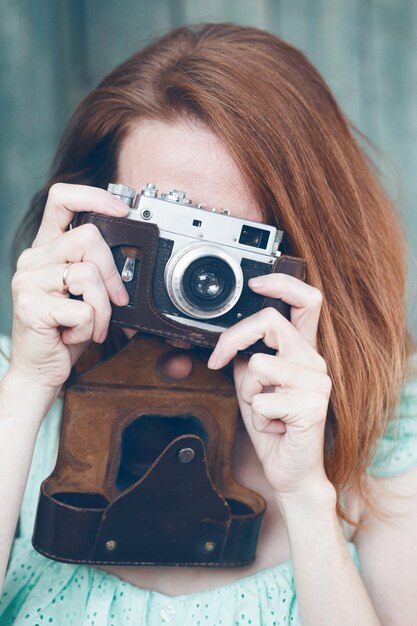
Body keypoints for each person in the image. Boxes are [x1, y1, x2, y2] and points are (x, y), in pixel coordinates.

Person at [0, 22, 416, 626]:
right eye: (163, 229)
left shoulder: (389, 428)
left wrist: (305, 497)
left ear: (306, 244)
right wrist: (29, 388)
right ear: (96, 215)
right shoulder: (16, 388)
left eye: (229, 245)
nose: (196, 279)